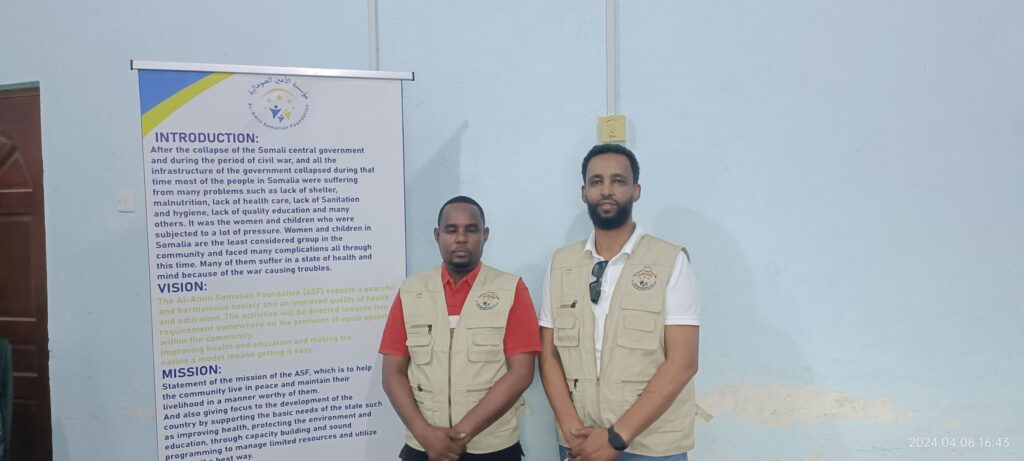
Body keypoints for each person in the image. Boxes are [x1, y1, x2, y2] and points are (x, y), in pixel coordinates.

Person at [539, 144, 701, 461]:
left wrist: (616, 438)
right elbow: (549, 355)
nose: (606, 190)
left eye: (618, 181)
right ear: (584, 192)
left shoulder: (670, 261)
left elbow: (683, 362)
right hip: (580, 442)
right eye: (596, 181)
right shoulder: (561, 264)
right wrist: (573, 430)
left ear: (636, 190)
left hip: (651, 447)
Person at [380, 196, 541, 461]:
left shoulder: (511, 289)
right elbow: (392, 373)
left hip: (491, 447)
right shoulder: (411, 291)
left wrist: (460, 435)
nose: (461, 239)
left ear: (485, 235)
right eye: (451, 230)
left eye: (471, 230)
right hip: (423, 446)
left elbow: (521, 374)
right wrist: (425, 435)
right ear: (437, 235)